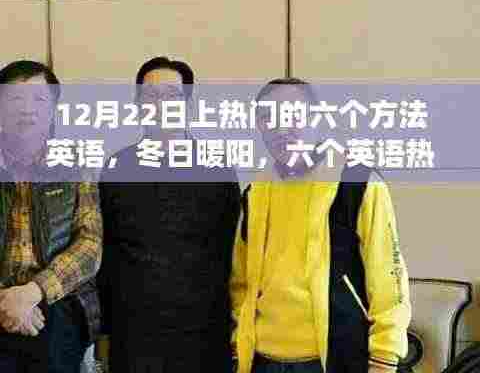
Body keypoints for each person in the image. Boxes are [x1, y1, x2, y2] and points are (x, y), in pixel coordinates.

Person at [231, 78, 412, 373]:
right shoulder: (255, 194)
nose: (281, 128)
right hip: (261, 360)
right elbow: (241, 283)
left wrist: (384, 358)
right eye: (268, 118)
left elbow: (389, 282)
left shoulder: (358, 183)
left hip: (334, 359)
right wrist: (239, 344)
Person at [97, 56, 241, 372]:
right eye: (151, 95)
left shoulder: (217, 167)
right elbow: (107, 255)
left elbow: (232, 250)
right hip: (133, 335)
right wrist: (103, 330)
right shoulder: (116, 168)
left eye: (172, 95)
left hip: (205, 333)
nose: (161, 104)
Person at [0, 60, 102, 372]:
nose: (27, 109)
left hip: (57, 302)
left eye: (39, 99)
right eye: (15, 99)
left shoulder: (76, 163)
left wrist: (33, 293)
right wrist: (6, 303)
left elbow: (90, 245)